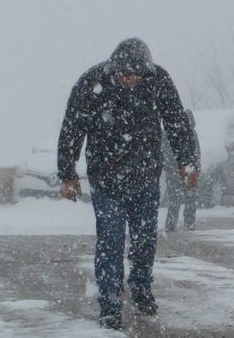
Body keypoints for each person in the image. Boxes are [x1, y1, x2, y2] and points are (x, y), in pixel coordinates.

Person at [57, 38, 199, 330]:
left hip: (145, 178)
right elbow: (72, 126)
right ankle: (109, 303)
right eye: (123, 74)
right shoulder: (91, 82)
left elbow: (176, 122)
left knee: (145, 240)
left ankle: (142, 287)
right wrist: (67, 172)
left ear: (144, 72)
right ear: (114, 67)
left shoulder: (158, 81)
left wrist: (187, 161)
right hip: (106, 180)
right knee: (109, 242)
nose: (128, 80)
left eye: (134, 75)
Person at [163, 108, 200, 232]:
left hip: (178, 170)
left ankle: (171, 223)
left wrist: (170, 168)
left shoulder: (168, 133)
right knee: (189, 198)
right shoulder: (191, 134)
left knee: (175, 198)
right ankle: (189, 223)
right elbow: (196, 153)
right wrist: (195, 167)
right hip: (188, 169)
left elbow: (164, 154)